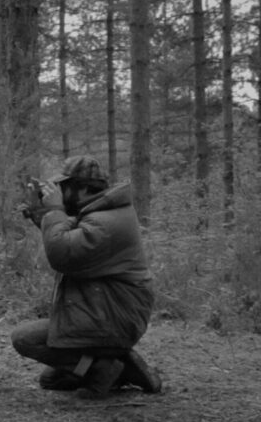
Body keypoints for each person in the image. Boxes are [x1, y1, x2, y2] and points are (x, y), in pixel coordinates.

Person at [12, 155, 162, 399]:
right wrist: (41, 215)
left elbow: (62, 254)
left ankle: (104, 367)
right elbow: (67, 235)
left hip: (114, 318)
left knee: (25, 339)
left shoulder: (105, 221)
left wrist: (54, 210)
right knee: (52, 380)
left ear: (81, 189)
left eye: (64, 187)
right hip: (105, 312)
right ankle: (120, 366)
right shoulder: (101, 212)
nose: (61, 194)